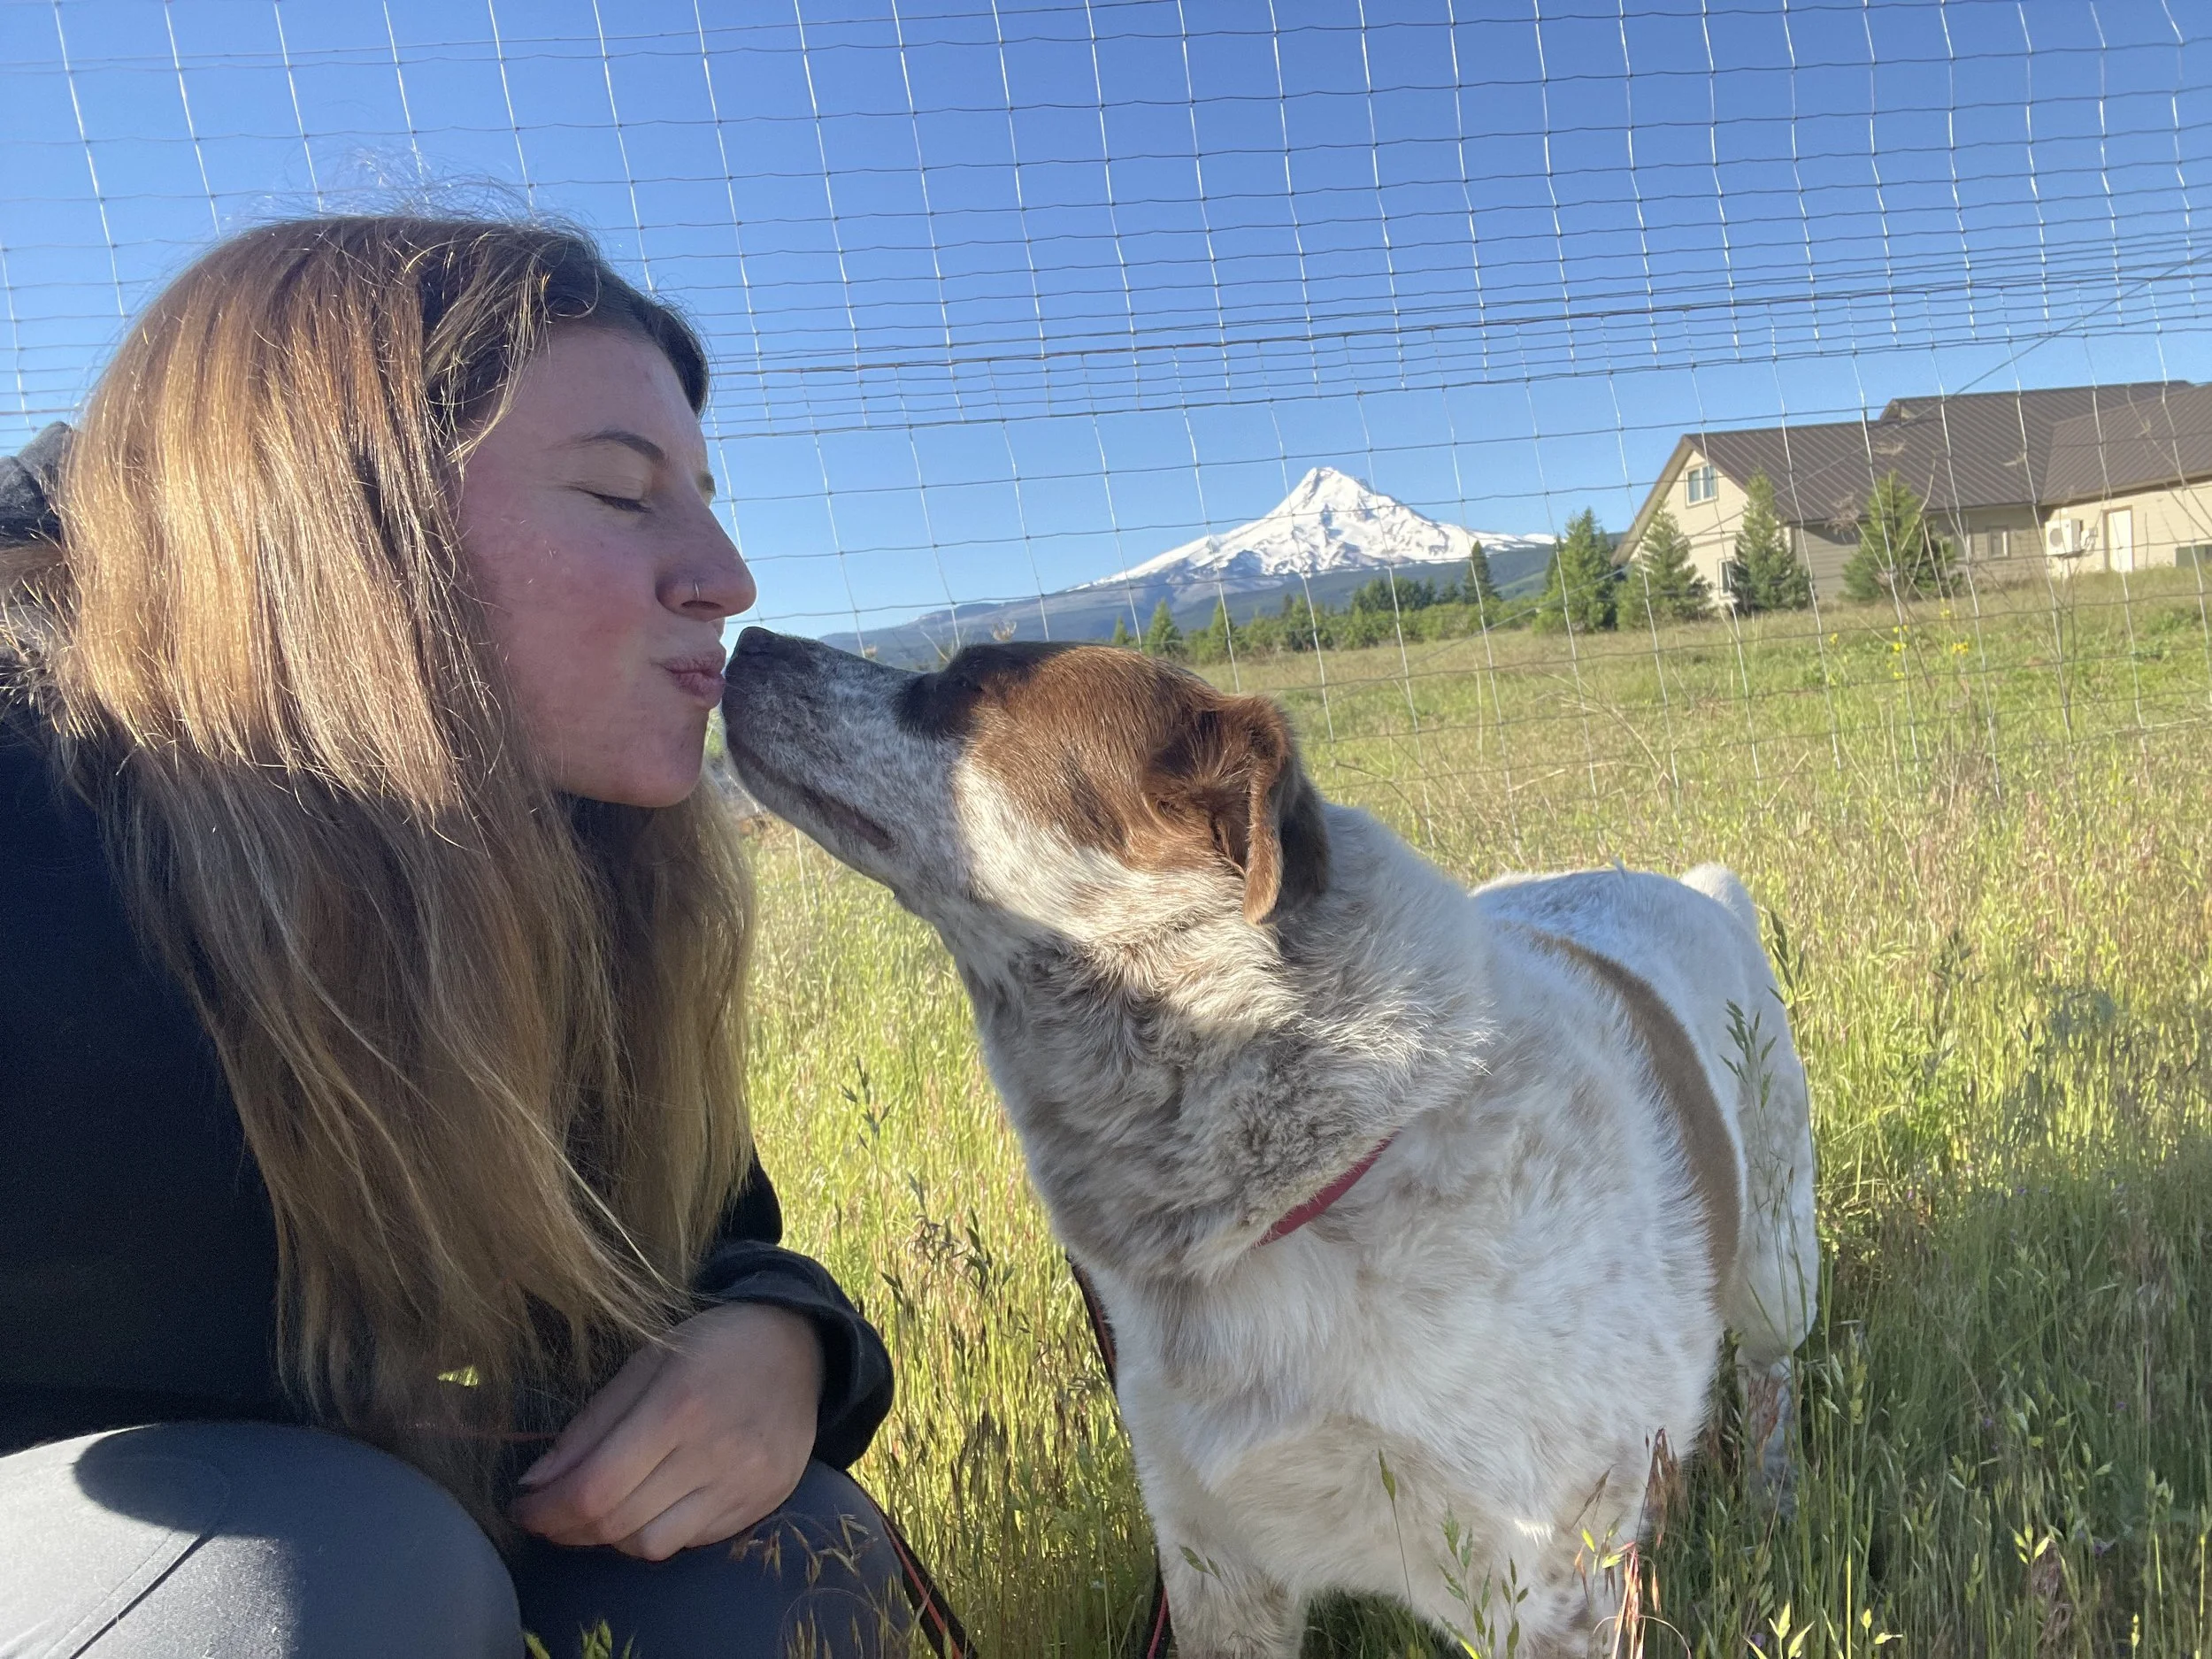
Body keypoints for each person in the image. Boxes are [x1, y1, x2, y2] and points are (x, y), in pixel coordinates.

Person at [0, 218, 956, 1657]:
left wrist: (783, 1348)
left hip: (411, 1516)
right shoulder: (41, 824)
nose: (729, 575)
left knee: (777, 1555)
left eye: (707, 494)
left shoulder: (573, 856)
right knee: (326, 1571)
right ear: (335, 520)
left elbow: (697, 1251)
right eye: (625, 497)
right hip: (166, 1560)